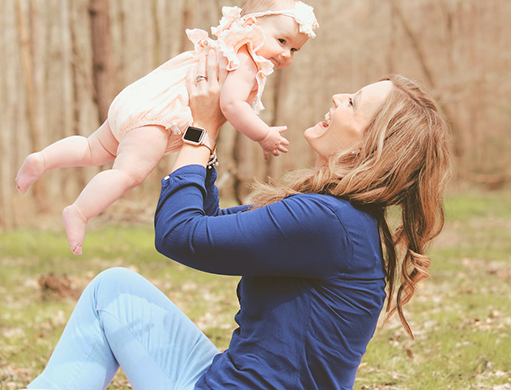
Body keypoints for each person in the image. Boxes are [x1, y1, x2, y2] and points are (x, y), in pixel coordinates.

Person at [22, 48, 453, 390]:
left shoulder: (329, 222)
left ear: (371, 144)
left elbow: (179, 234)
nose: (339, 98)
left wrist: (199, 129)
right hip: (225, 377)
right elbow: (209, 224)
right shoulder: (340, 220)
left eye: (353, 103)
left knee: (108, 294)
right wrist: (208, 132)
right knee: (113, 287)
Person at [15, 0, 319, 255]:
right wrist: (262, 134)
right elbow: (231, 105)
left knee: (92, 147)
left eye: (295, 49)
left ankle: (43, 159)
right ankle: (80, 212)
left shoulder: (227, 43)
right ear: (252, 25)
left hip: (139, 98)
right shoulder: (246, 61)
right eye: (282, 41)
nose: (287, 54)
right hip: (157, 118)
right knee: (128, 174)